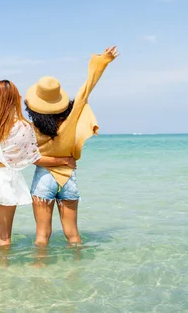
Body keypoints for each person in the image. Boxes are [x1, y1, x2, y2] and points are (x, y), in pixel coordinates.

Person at [0, 30, 77, 250]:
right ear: (16, 97)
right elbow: (35, 159)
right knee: (4, 239)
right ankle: (3, 275)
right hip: (4, 179)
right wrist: (64, 161)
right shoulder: (23, 126)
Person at [24, 46, 120, 247]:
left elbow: (31, 158)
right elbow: (86, 89)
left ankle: (38, 275)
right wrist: (103, 61)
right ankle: (76, 275)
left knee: (42, 236)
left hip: (44, 178)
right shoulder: (71, 118)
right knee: (74, 236)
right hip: (68, 178)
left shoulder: (30, 128)